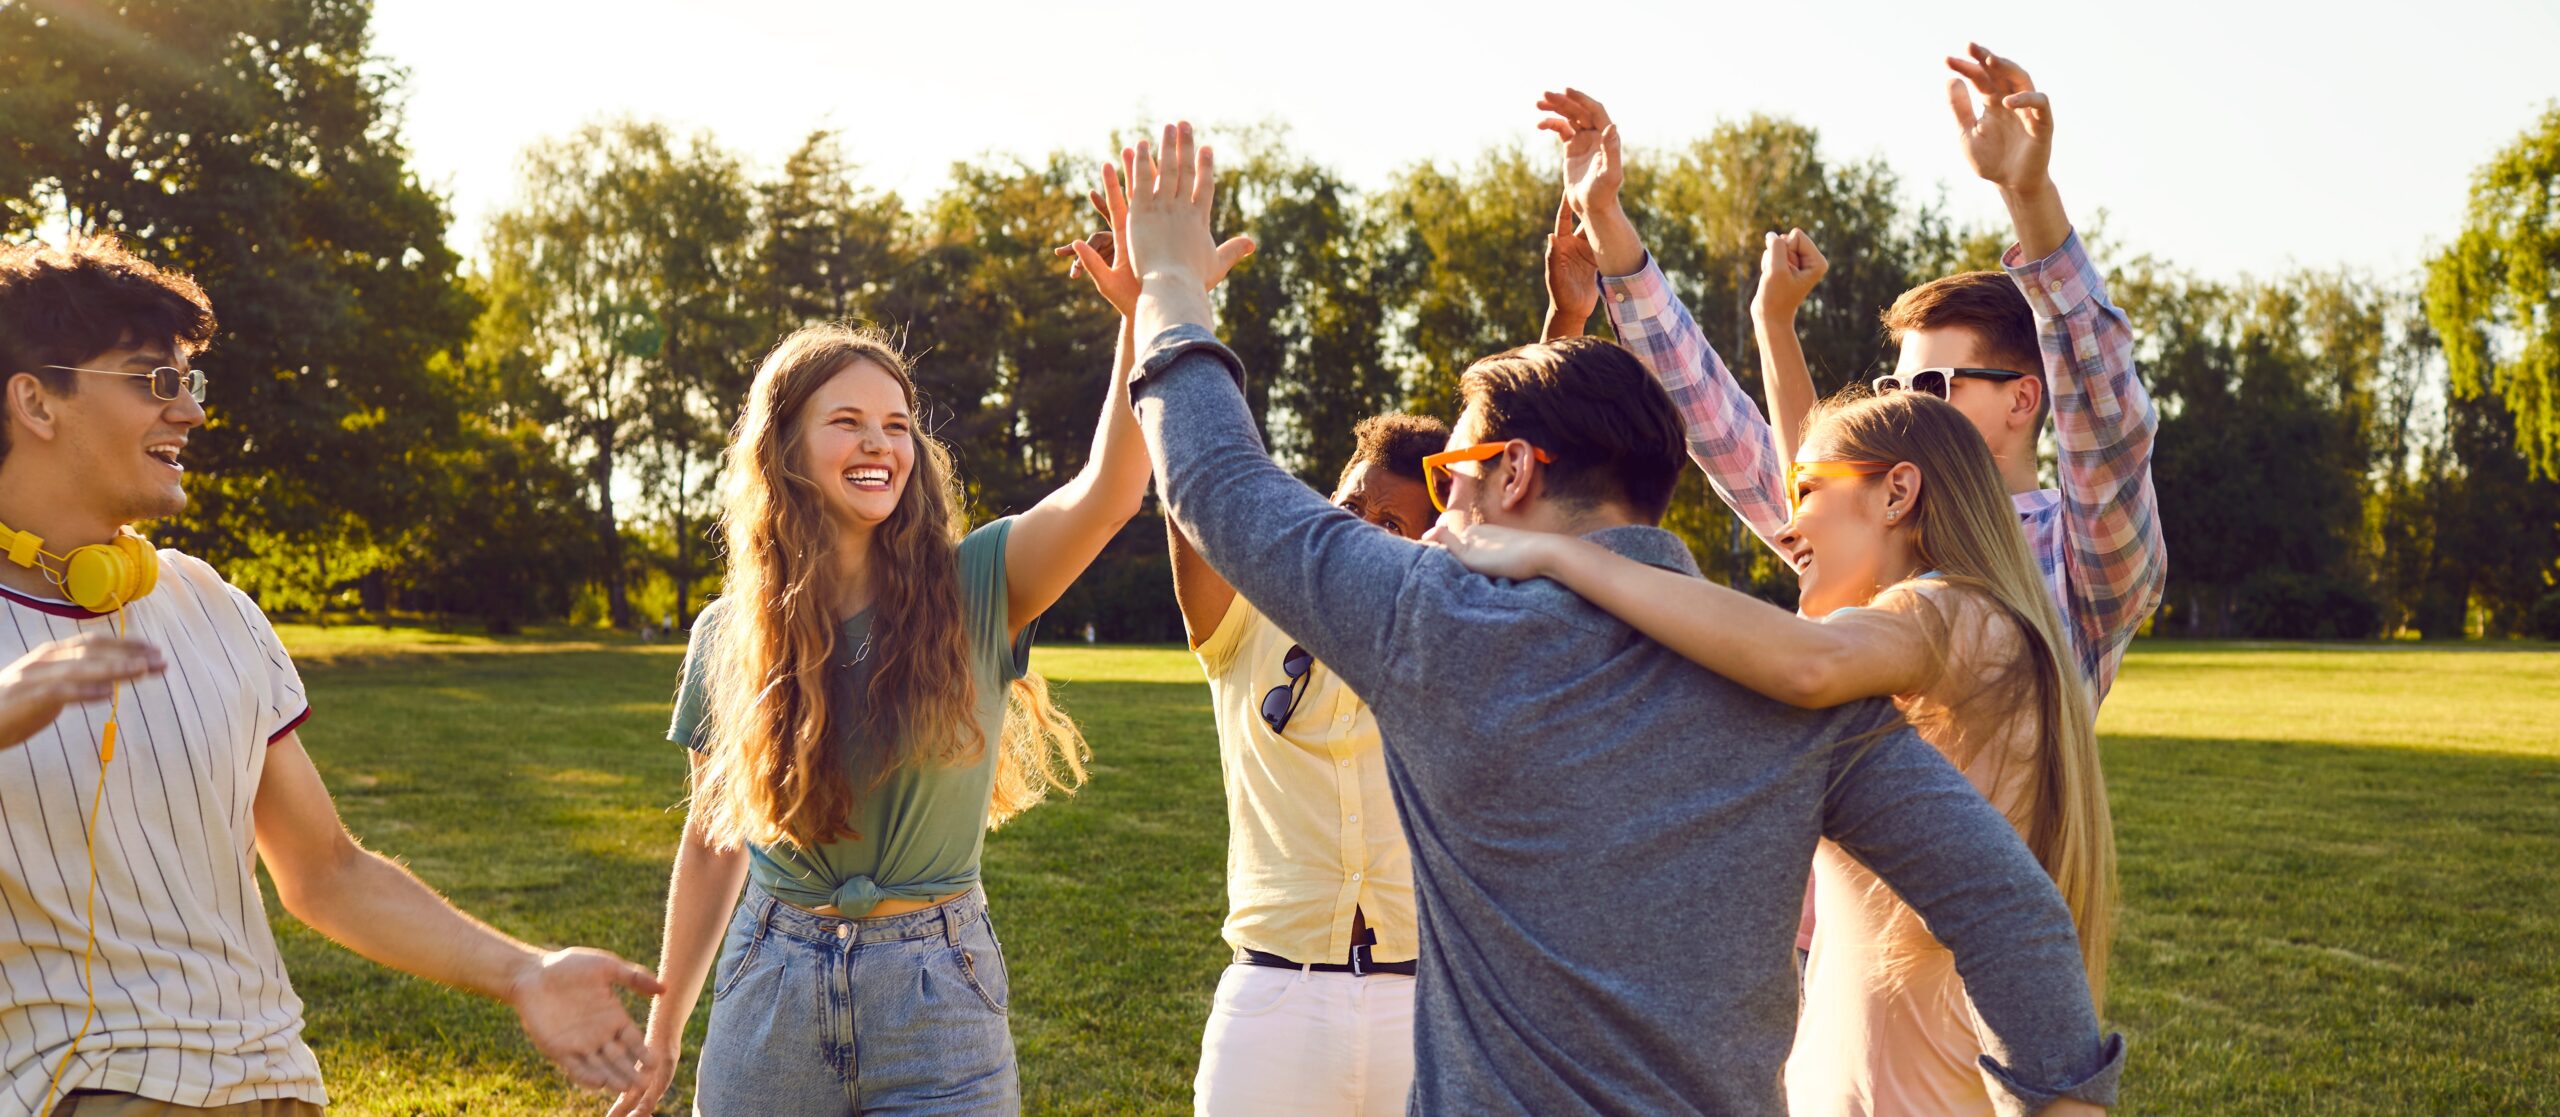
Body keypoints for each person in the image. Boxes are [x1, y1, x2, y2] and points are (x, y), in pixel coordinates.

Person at [1117, 120, 2120, 1116]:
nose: (1440, 510)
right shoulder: (1793, 681)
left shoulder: (1432, 620)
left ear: (1510, 473)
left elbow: (1215, 480)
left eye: (1450, 475)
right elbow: (2007, 905)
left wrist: (1170, 287)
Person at [610, 164, 1224, 1112]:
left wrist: (1143, 313)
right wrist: (664, 1029)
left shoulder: (978, 582)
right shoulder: (727, 634)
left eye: (896, 424)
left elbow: (1110, 493)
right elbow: (713, 837)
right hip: (768, 987)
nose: (880, 445)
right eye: (847, 421)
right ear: (783, 450)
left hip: (939, 991)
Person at [0, 237, 662, 1115]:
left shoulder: (210, 603)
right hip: (90, 1088)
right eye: (153, 381)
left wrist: (524, 970)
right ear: (37, 401)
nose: (190, 414)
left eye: (190, 383)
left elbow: (325, 870)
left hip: (278, 1085)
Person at [1434, 389, 2115, 1115]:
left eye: (1808, 489)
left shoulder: (1951, 610)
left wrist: (1554, 553)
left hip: (1910, 1083)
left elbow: (1805, 664)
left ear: (1898, 492)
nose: (1787, 530)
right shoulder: (1982, 624)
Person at [1537, 48, 2165, 700]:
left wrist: (2029, 195)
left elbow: (2105, 414)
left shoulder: (2078, 560)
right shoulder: (1876, 519)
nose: (1899, 410)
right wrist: (1608, 225)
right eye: (1892, 388)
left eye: (1932, 387)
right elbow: (1723, 431)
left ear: (2023, 399)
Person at [1054, 176, 1443, 1115]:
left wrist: (1564, 315)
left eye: (1393, 521)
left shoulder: (1454, 632)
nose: (1357, 528)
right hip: (1274, 997)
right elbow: (1196, 485)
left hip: (1427, 1003)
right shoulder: (1249, 617)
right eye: (1349, 504)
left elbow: (1520, 483)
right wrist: (1163, 302)